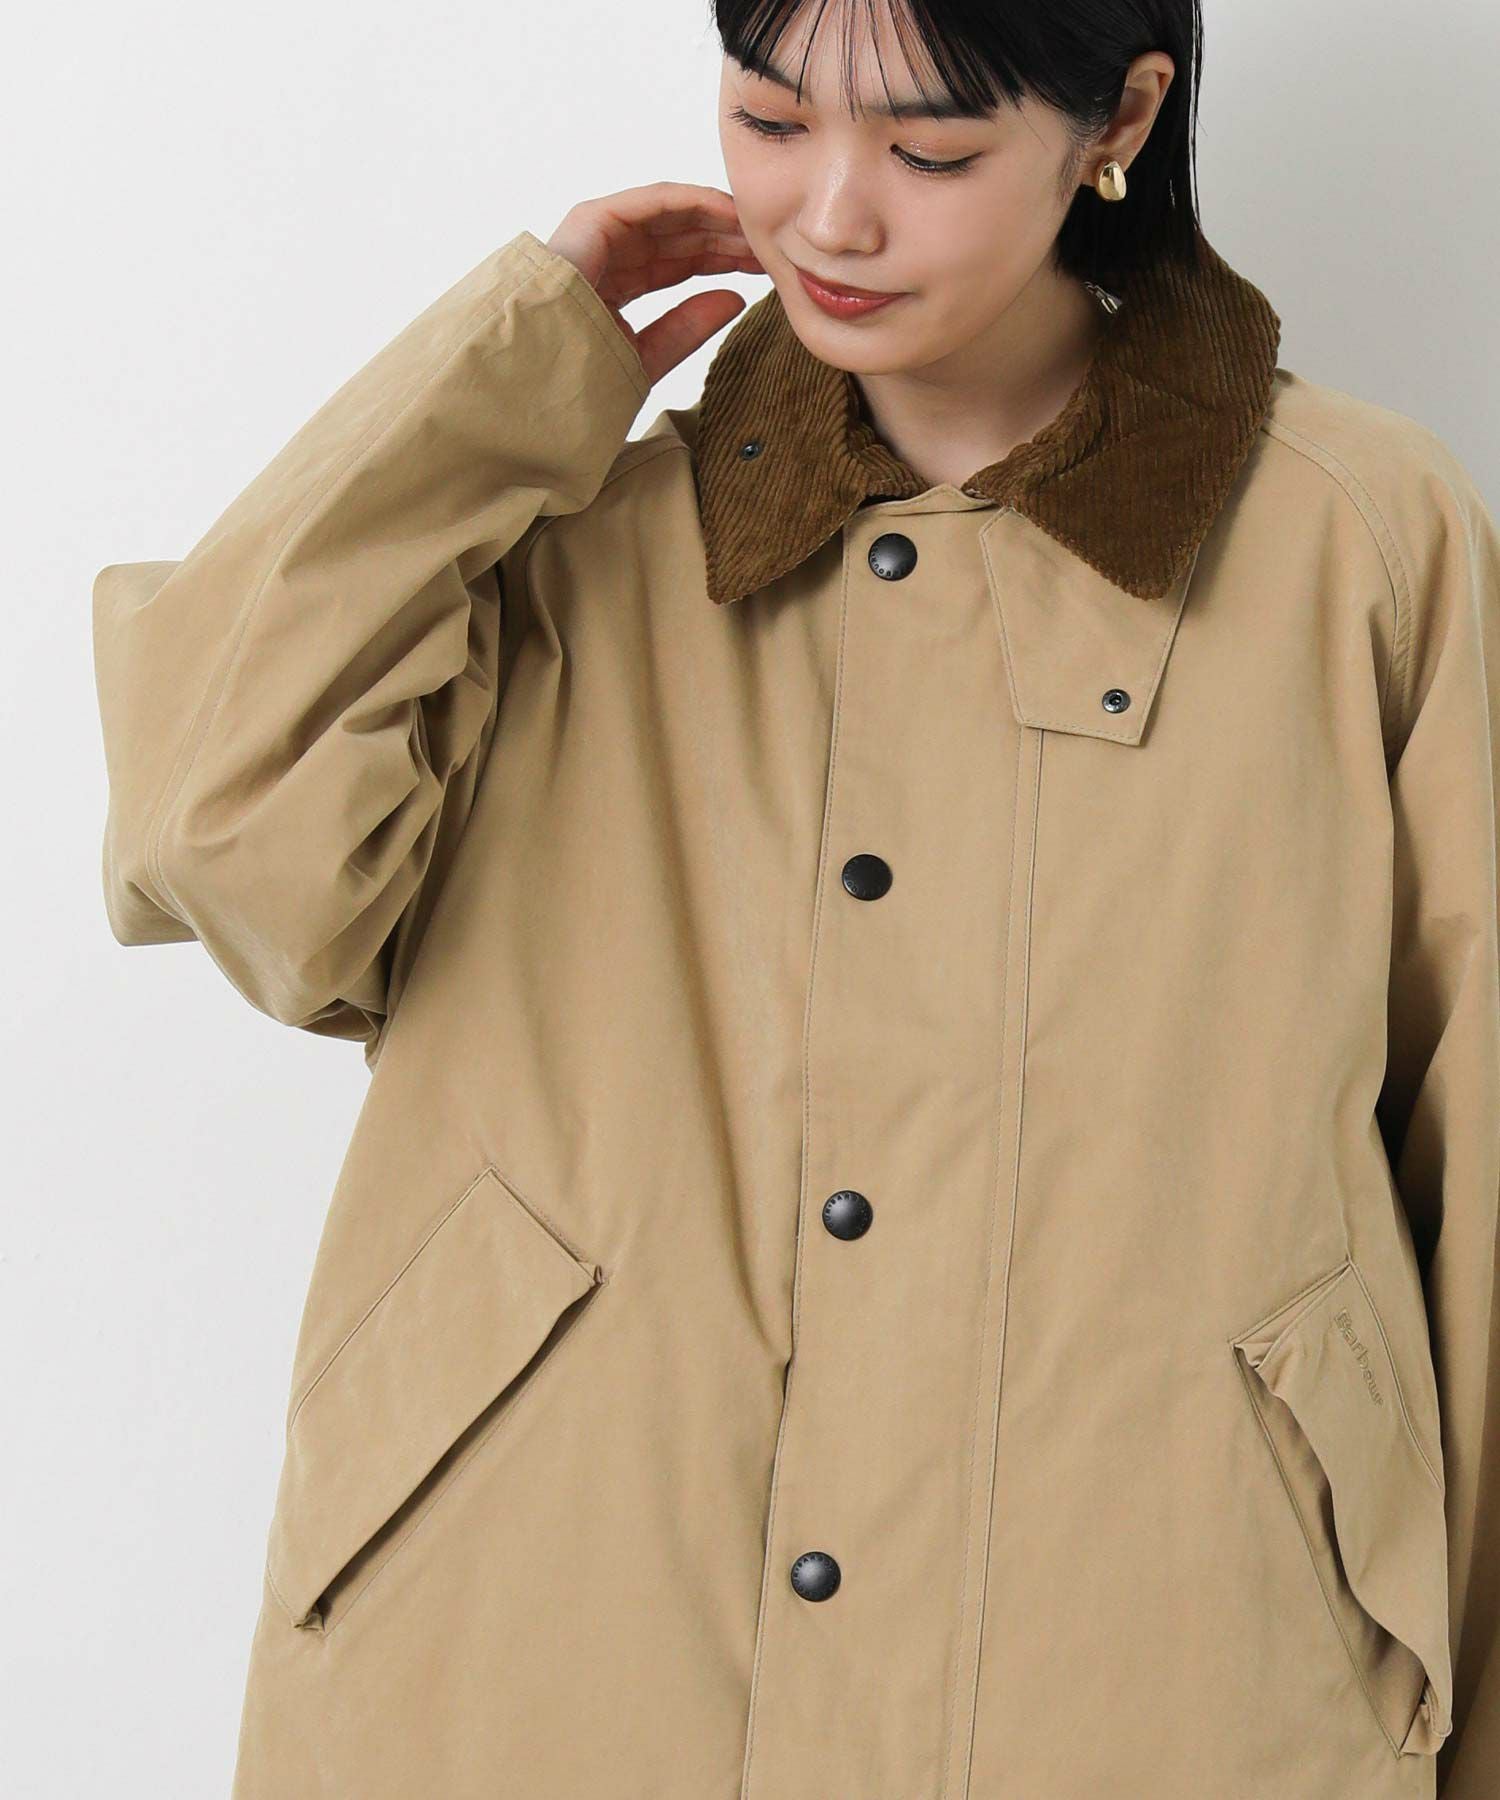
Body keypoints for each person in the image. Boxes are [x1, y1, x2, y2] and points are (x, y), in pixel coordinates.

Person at [89, 1, 1499, 1795]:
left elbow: (1481, 1177)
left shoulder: (1356, 543)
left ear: (1119, 121)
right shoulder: (563, 543)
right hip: (537, 1635)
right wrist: (508, 376)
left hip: (1154, 1657)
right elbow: (211, 830)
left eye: (928, 150)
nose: (830, 214)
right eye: (768, 120)